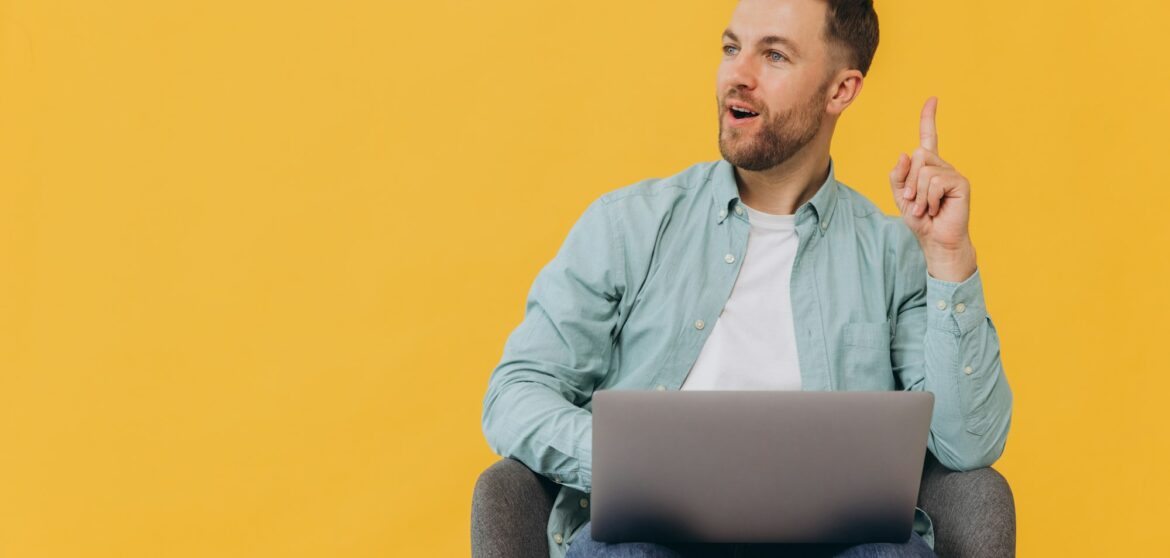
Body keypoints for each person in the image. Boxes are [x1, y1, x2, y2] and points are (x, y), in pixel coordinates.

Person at [481, 0, 1013, 556]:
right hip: (650, 534)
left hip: (835, 544)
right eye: (732, 48)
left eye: (775, 55)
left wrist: (949, 258)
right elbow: (515, 392)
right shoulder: (627, 227)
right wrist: (626, 465)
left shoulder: (892, 254)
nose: (739, 75)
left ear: (841, 91)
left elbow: (969, 444)